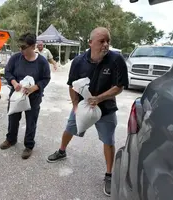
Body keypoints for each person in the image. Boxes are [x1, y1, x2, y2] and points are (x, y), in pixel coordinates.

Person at [46, 27, 128, 197]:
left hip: (106, 109)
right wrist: (76, 106)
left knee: (108, 140)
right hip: (83, 106)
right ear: (90, 43)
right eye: (101, 41)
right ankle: (62, 151)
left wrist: (99, 98)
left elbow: (119, 87)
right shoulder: (78, 61)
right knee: (69, 128)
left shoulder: (116, 60)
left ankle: (109, 175)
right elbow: (72, 85)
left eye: (108, 41)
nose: (106, 44)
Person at [0, 33, 51, 159]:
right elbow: (8, 72)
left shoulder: (42, 62)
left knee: (31, 121)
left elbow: (46, 78)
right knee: (13, 118)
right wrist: (14, 82)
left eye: (24, 47)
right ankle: (11, 139)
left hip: (33, 97)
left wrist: (35, 87)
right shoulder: (16, 58)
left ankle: (29, 145)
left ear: (33, 46)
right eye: (20, 47)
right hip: (16, 95)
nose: (21, 50)